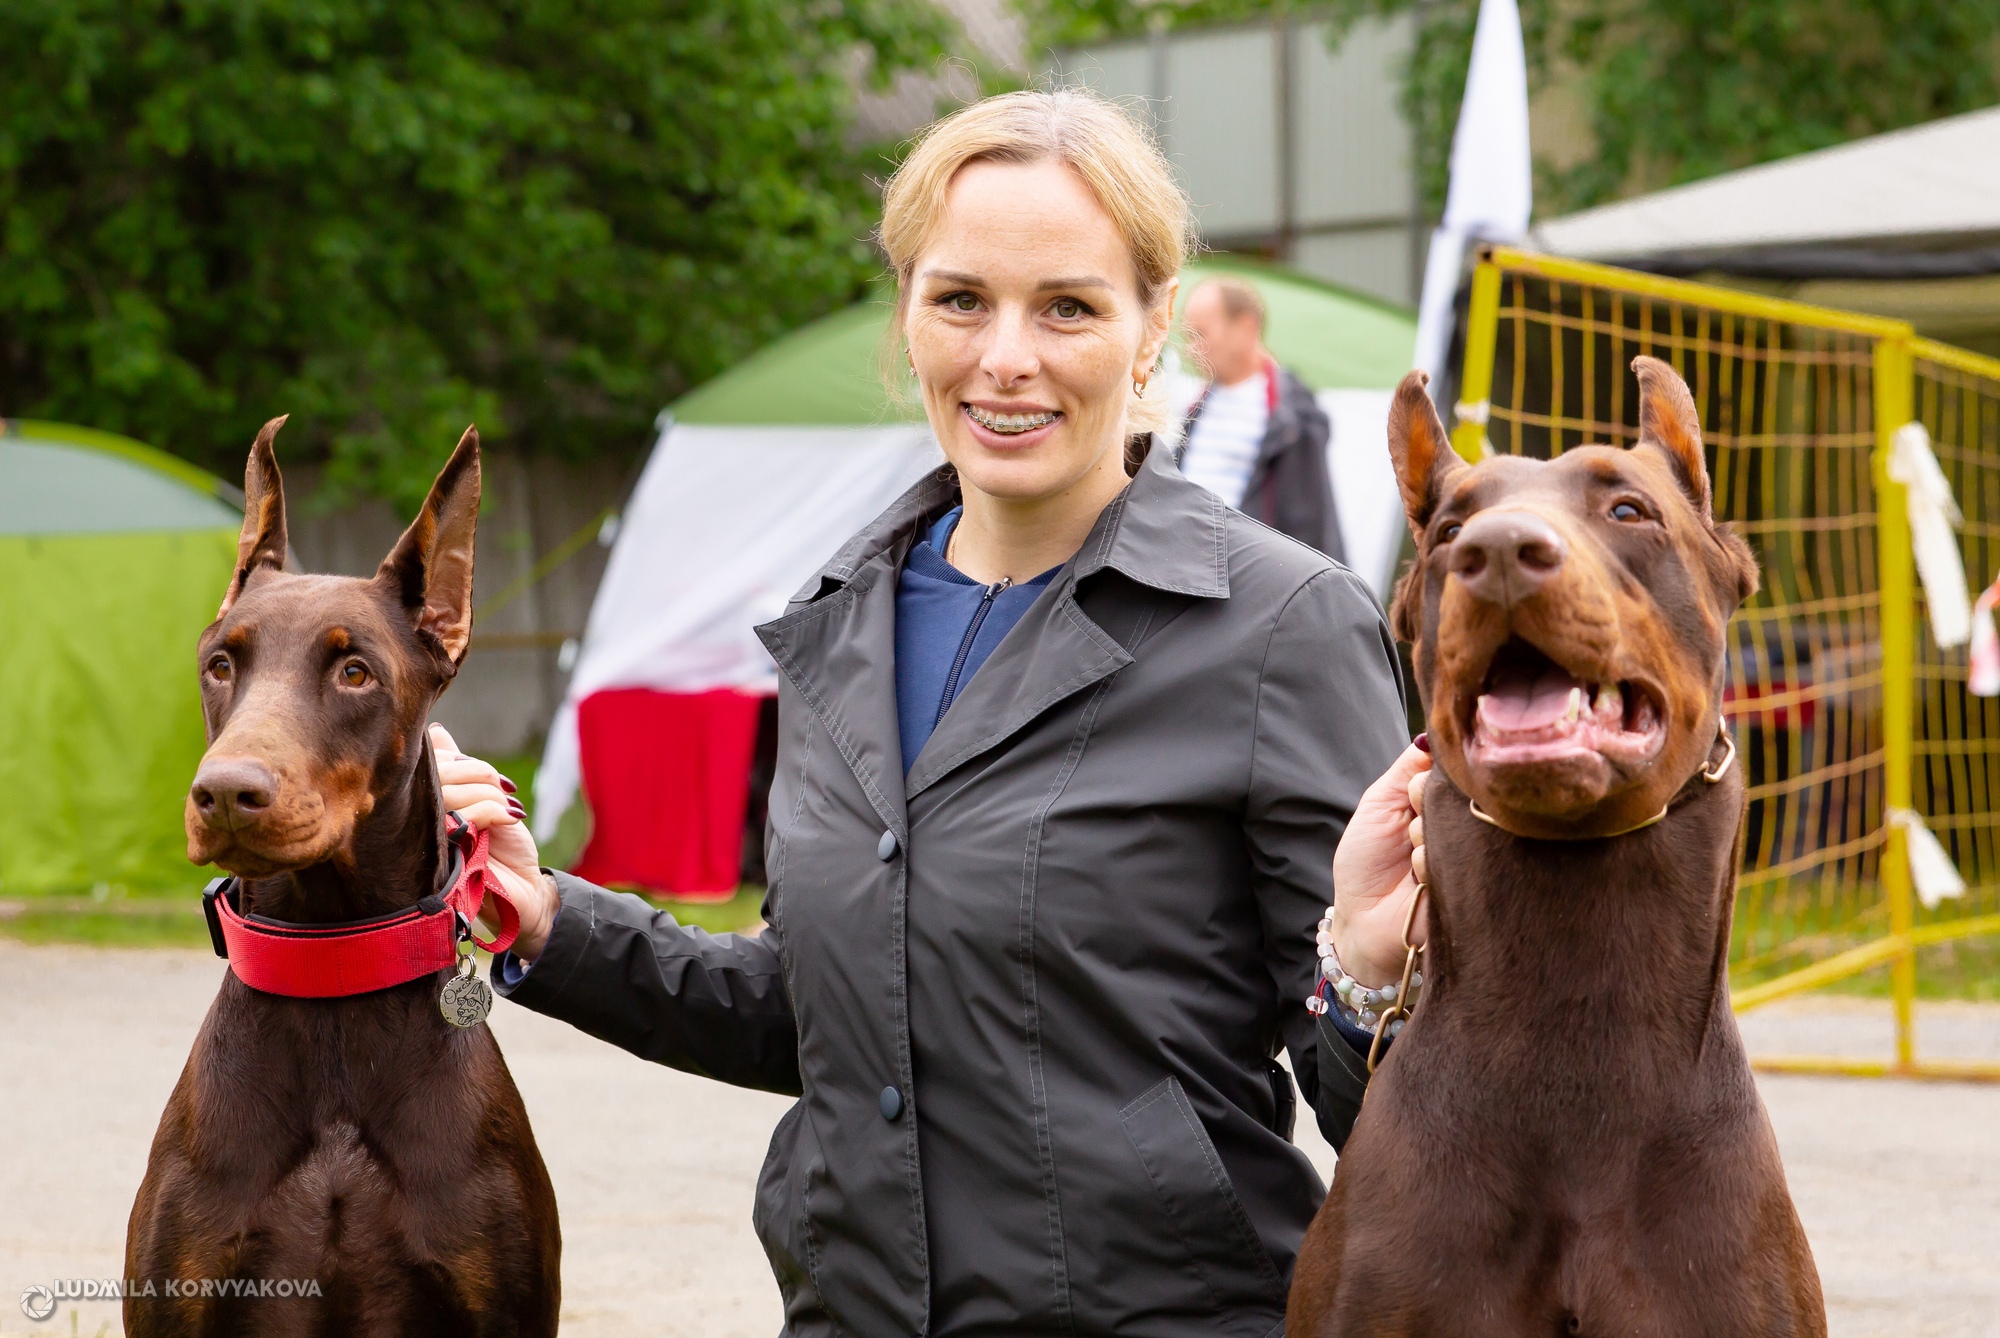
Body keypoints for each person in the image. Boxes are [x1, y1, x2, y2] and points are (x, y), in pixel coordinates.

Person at [436, 87, 1428, 1338]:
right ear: (907, 315)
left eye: (1065, 305)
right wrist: (548, 921)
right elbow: (819, 1016)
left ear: (1150, 328)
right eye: (960, 300)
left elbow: (1394, 1126)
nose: (1004, 357)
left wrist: (1372, 976)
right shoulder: (833, 625)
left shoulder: (1280, 625)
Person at [1179, 275, 1346, 561]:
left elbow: (1312, 526)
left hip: (1249, 574)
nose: (1192, 349)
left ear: (1245, 328)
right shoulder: (1193, 405)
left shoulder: (1294, 416)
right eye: (1189, 337)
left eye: (1202, 334)